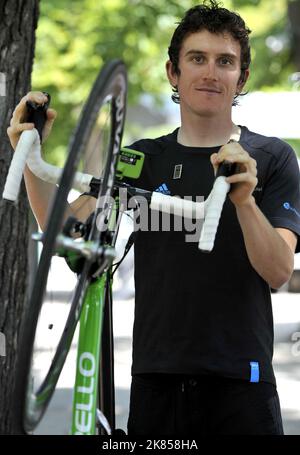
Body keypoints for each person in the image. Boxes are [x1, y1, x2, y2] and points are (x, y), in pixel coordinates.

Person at [7, 0, 300, 436]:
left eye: (225, 62)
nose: (210, 72)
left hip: (242, 381)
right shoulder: (143, 158)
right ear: (172, 72)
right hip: (156, 380)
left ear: (242, 77)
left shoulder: (270, 157)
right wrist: (30, 157)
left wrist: (244, 201)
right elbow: (64, 232)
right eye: (196, 58)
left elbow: (278, 271)